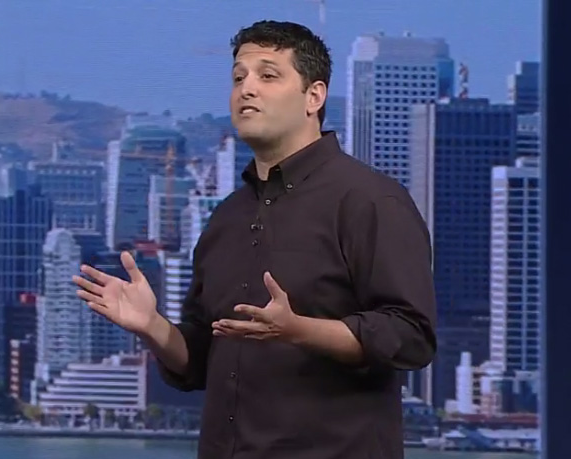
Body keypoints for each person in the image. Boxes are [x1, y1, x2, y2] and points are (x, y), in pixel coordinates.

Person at [73, 20, 436, 459]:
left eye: (268, 75)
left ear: (314, 96)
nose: (247, 88)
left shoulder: (370, 200)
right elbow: (200, 362)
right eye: (238, 77)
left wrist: (298, 330)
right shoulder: (225, 217)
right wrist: (152, 327)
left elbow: (411, 336)